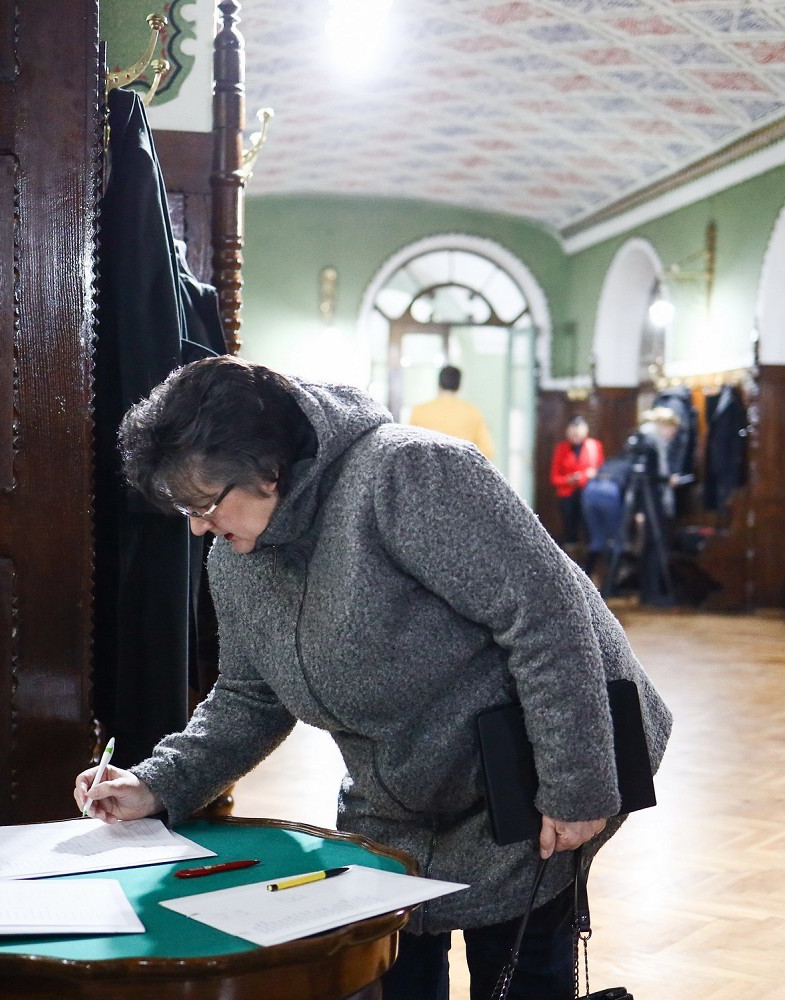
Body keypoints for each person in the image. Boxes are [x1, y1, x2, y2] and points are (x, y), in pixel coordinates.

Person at [74, 356, 672, 999]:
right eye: (184, 510)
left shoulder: (408, 475)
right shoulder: (237, 557)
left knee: (520, 975)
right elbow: (249, 698)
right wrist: (156, 783)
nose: (198, 526)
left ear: (268, 469)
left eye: (205, 504)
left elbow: (549, 620)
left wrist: (575, 785)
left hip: (526, 779)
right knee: (389, 976)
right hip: (398, 801)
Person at [408, 364, 495, 459]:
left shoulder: (420, 411)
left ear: (438, 384)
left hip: (427, 466)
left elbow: (408, 449)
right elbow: (487, 451)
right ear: (459, 386)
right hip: (461, 466)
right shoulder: (472, 412)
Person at [549, 415, 603, 551]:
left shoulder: (594, 446)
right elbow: (554, 478)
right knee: (570, 530)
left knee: (589, 529)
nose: (576, 434)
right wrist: (569, 479)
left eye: (579, 430)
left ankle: (590, 556)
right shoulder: (561, 449)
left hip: (588, 493)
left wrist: (587, 475)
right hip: (568, 495)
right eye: (573, 430)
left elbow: (600, 471)